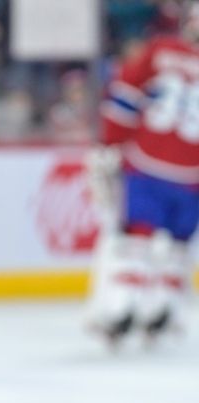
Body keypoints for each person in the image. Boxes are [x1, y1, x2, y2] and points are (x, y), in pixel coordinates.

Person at [86, 3, 199, 343]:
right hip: (192, 173)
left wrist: (110, 142)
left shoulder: (160, 50)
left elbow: (125, 96)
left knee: (137, 236)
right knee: (179, 245)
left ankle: (123, 305)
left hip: (148, 163)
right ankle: (165, 308)